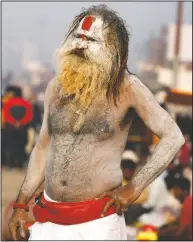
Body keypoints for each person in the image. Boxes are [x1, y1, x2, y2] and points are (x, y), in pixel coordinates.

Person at [9, 4, 184, 240]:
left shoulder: (127, 88)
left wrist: (134, 187)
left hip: (98, 222)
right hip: (49, 217)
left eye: (91, 39)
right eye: (78, 36)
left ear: (112, 48)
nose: (81, 45)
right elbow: (42, 148)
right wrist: (21, 205)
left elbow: (173, 137)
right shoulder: (56, 87)